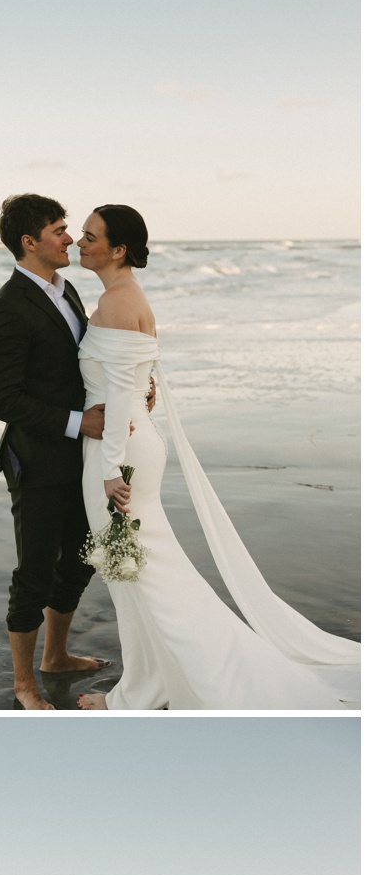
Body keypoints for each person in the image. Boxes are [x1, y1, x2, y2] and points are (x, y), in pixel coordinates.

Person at [67, 205, 358, 710]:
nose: (79, 242)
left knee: (142, 575)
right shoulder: (121, 297)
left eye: (90, 237)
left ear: (118, 250)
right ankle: (144, 684)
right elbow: (138, 379)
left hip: (120, 453)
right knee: (135, 573)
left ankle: (166, 686)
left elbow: (118, 395)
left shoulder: (116, 303)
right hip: (132, 441)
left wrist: (112, 469)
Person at [0, 194, 141, 710]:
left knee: (78, 561)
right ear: (30, 242)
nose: (70, 238)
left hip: (84, 455)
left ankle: (57, 656)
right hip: (40, 461)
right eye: (59, 229)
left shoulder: (67, 291)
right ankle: (24, 684)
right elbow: (4, 400)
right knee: (34, 572)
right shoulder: (5, 308)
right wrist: (81, 423)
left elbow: (91, 365)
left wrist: (137, 392)